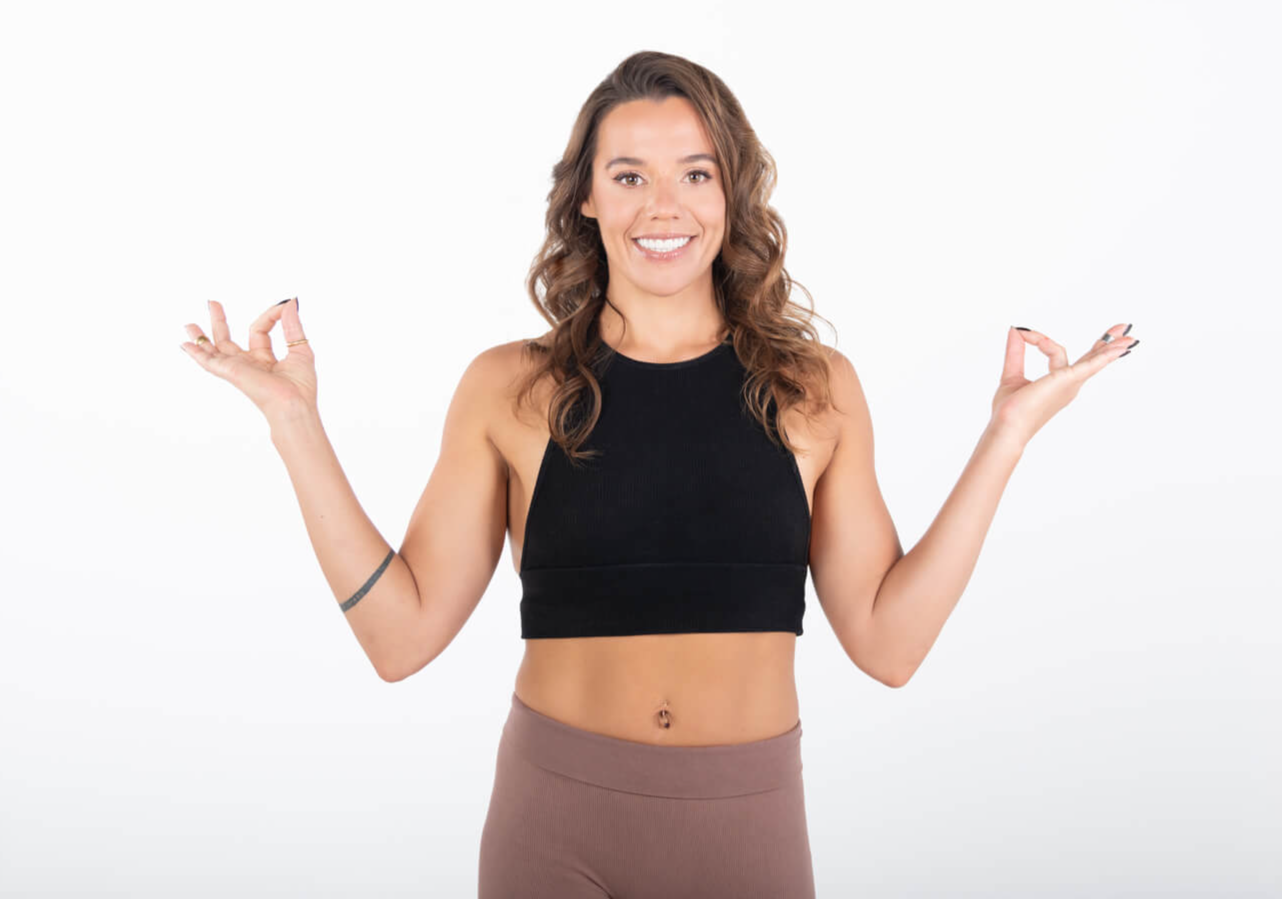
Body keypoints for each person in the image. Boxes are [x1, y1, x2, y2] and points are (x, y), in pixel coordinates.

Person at [178, 50, 1140, 899]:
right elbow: (400, 639)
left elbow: (890, 645)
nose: (663, 206)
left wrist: (1007, 434)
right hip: (553, 824)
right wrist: (294, 422)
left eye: (695, 173)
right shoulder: (511, 389)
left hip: (746, 823)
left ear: (732, 193)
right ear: (586, 197)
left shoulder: (814, 391)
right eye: (629, 175)